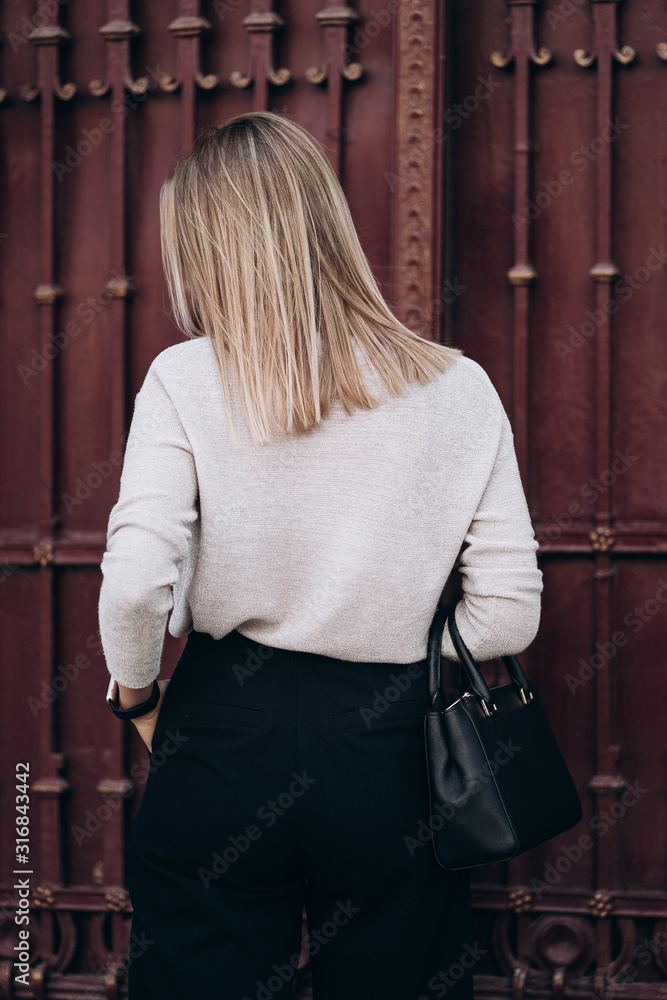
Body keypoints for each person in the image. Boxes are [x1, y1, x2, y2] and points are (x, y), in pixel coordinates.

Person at [98, 110, 543, 1000]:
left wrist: (139, 699)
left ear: (205, 246)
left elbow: (136, 586)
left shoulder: (184, 378)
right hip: (391, 746)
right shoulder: (457, 386)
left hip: (223, 727)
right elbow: (507, 614)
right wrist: (387, 619)